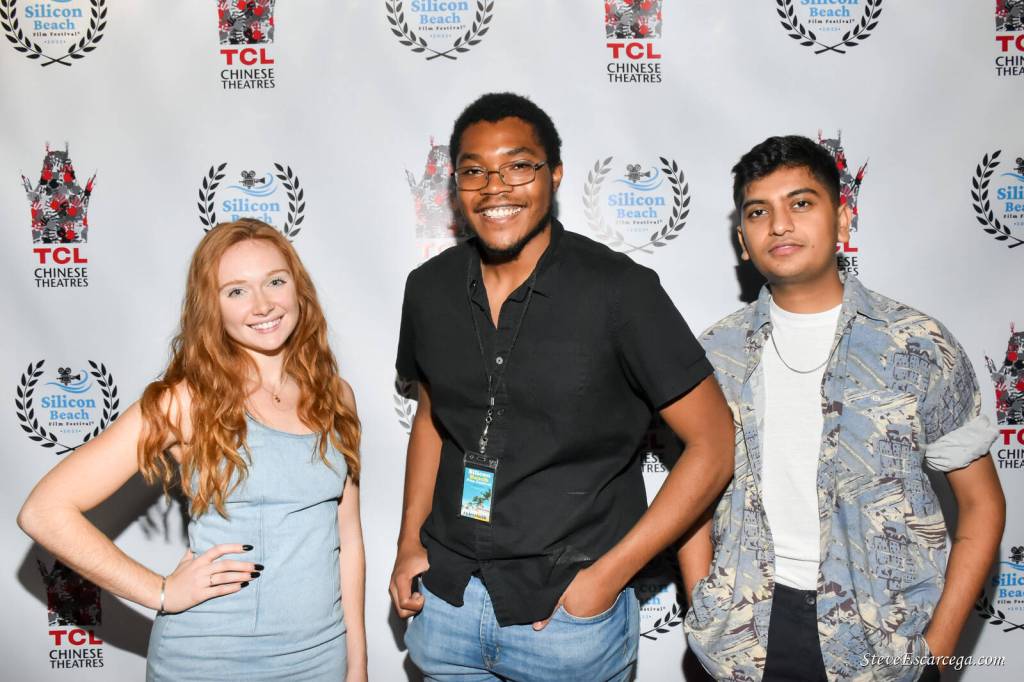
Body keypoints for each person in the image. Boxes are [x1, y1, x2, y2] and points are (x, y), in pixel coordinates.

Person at [389, 92, 734, 681]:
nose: (495, 186)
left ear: (555, 175)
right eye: (474, 171)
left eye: (519, 165)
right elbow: (431, 418)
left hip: (567, 621)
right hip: (446, 605)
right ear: (456, 187)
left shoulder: (620, 292)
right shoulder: (428, 289)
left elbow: (715, 444)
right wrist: (407, 544)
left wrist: (606, 578)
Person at [680, 136, 1006, 681]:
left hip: (885, 641)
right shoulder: (713, 355)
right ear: (743, 240)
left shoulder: (918, 345)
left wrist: (938, 652)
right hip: (746, 638)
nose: (780, 224)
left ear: (843, 220)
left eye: (801, 203)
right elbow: (690, 497)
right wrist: (706, 609)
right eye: (759, 212)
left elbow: (982, 504)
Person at [18, 219, 367, 681]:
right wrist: (161, 591)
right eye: (236, 291)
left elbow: (348, 539)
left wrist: (356, 660)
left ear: (298, 289)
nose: (263, 305)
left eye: (275, 282)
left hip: (318, 658)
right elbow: (44, 511)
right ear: (212, 308)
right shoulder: (186, 401)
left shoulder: (335, 395)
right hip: (210, 660)